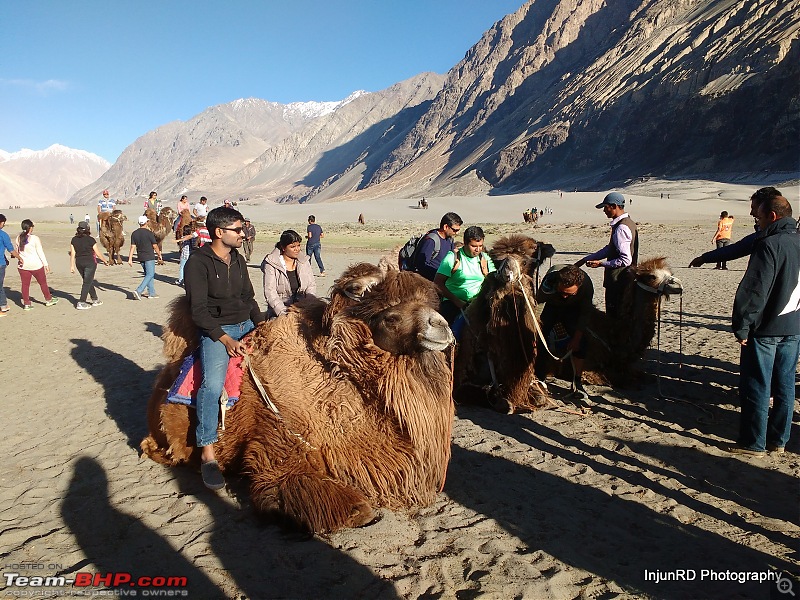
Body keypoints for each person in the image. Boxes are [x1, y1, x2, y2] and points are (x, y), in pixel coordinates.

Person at [184, 206, 264, 489]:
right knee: (213, 385)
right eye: (238, 230)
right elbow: (199, 311)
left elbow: (249, 298)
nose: (243, 234)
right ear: (220, 232)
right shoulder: (198, 262)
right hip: (217, 330)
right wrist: (224, 338)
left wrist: (261, 327)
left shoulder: (238, 258)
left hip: (246, 324)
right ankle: (207, 453)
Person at [726, 195, 799, 457]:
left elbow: (755, 290)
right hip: (793, 327)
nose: (756, 220)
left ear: (773, 217)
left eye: (759, 216)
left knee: (757, 384)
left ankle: (753, 443)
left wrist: (742, 325)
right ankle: (779, 440)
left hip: (766, 329)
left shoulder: (769, 244)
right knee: (785, 385)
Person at [535, 265, 594, 398]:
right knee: (540, 341)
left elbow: (585, 314)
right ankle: (539, 379)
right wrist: (535, 330)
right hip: (551, 307)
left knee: (582, 343)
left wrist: (576, 339)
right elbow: (538, 304)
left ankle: (577, 382)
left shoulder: (586, 285)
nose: (565, 296)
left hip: (573, 310)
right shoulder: (550, 281)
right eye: (562, 292)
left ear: (578, 287)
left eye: (569, 294)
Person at [575, 192, 638, 315]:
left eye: (605, 207)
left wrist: (601, 264)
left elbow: (625, 260)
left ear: (614, 206)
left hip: (618, 281)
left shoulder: (621, 228)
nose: (604, 211)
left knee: (615, 316)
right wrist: (585, 259)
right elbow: (610, 249)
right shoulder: (628, 223)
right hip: (623, 280)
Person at [688, 187, 783, 269]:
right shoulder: (772, 234)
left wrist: (705, 258)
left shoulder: (772, 240)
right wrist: (705, 258)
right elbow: (736, 248)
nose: (751, 213)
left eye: (754, 208)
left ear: (771, 214)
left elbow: (739, 248)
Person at [434, 226, 494, 327]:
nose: (478, 249)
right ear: (465, 243)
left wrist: (486, 273)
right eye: (474, 246)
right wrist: (457, 301)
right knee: (454, 332)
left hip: (479, 303)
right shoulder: (452, 258)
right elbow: (437, 283)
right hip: (454, 304)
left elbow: (493, 281)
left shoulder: (485, 258)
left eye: (480, 246)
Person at [262, 229, 316, 318]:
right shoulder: (271, 263)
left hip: (302, 310)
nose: (297, 249)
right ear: (283, 248)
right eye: (292, 247)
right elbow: (270, 292)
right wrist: (283, 313)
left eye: (298, 245)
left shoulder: (304, 261)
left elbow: (311, 285)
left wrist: (308, 304)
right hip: (279, 312)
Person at [14, 219, 58, 310]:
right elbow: (40, 252)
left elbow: (17, 251)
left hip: (23, 266)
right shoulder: (34, 238)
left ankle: (26, 303)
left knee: (25, 285)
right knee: (43, 283)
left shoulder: (18, 237)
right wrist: (46, 264)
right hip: (36, 265)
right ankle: (48, 299)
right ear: (30, 228)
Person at [413, 212, 463, 281]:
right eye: (455, 230)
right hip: (430, 283)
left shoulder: (450, 240)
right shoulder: (431, 240)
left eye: (458, 230)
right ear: (446, 227)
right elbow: (421, 265)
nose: (457, 233)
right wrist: (438, 275)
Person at [70, 221, 109, 309]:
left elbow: (73, 254)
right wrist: (105, 261)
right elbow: (98, 253)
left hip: (79, 263)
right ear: (88, 229)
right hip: (89, 263)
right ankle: (81, 302)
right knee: (87, 282)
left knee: (88, 280)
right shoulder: (91, 239)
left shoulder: (74, 239)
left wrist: (72, 266)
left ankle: (95, 299)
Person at [127, 215, 162, 299]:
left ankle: (151, 292)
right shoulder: (149, 233)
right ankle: (139, 290)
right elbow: (155, 246)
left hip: (140, 256)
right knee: (150, 274)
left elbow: (132, 247)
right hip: (149, 256)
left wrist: (130, 259)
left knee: (148, 274)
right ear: (146, 222)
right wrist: (159, 254)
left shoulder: (134, 233)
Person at [0, 214, 22, 317]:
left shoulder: (3, 235)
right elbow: (11, 250)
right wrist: (20, 258)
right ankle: (4, 305)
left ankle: (3, 308)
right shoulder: (4, 235)